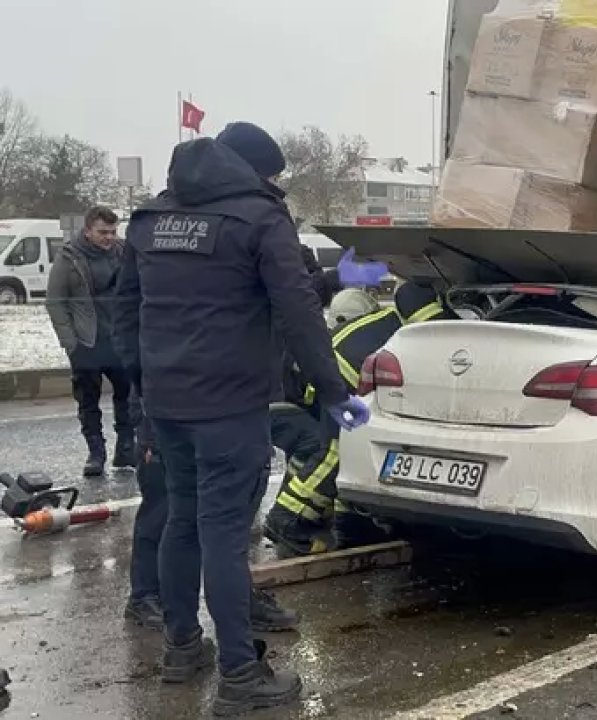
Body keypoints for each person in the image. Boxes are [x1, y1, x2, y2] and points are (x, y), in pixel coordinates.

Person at [114, 121, 367, 716]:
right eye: (274, 174)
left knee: (182, 520)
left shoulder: (150, 220)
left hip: (167, 403)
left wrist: (143, 390)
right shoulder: (259, 219)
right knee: (226, 536)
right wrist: (333, 392)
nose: (276, 183)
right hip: (229, 407)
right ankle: (240, 675)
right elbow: (299, 313)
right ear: (256, 171)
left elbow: (126, 312)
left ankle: (181, 647)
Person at [264, 283, 443, 556]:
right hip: (342, 376)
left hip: (330, 368)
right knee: (338, 451)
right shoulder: (435, 322)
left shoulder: (397, 314)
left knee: (345, 450)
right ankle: (287, 519)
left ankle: (349, 521)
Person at [124, 401, 299, 635]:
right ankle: (144, 595)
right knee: (164, 513)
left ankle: (239, 602)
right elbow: (138, 367)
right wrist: (148, 433)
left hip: (221, 418)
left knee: (226, 529)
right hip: (165, 416)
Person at [46, 206, 137, 476]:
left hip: (119, 339)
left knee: (127, 396)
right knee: (88, 401)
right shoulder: (69, 258)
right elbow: (55, 302)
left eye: (112, 232)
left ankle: (125, 449)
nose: (108, 237)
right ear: (87, 231)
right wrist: (69, 341)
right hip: (86, 341)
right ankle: (96, 453)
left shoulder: (122, 252)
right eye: (102, 232)